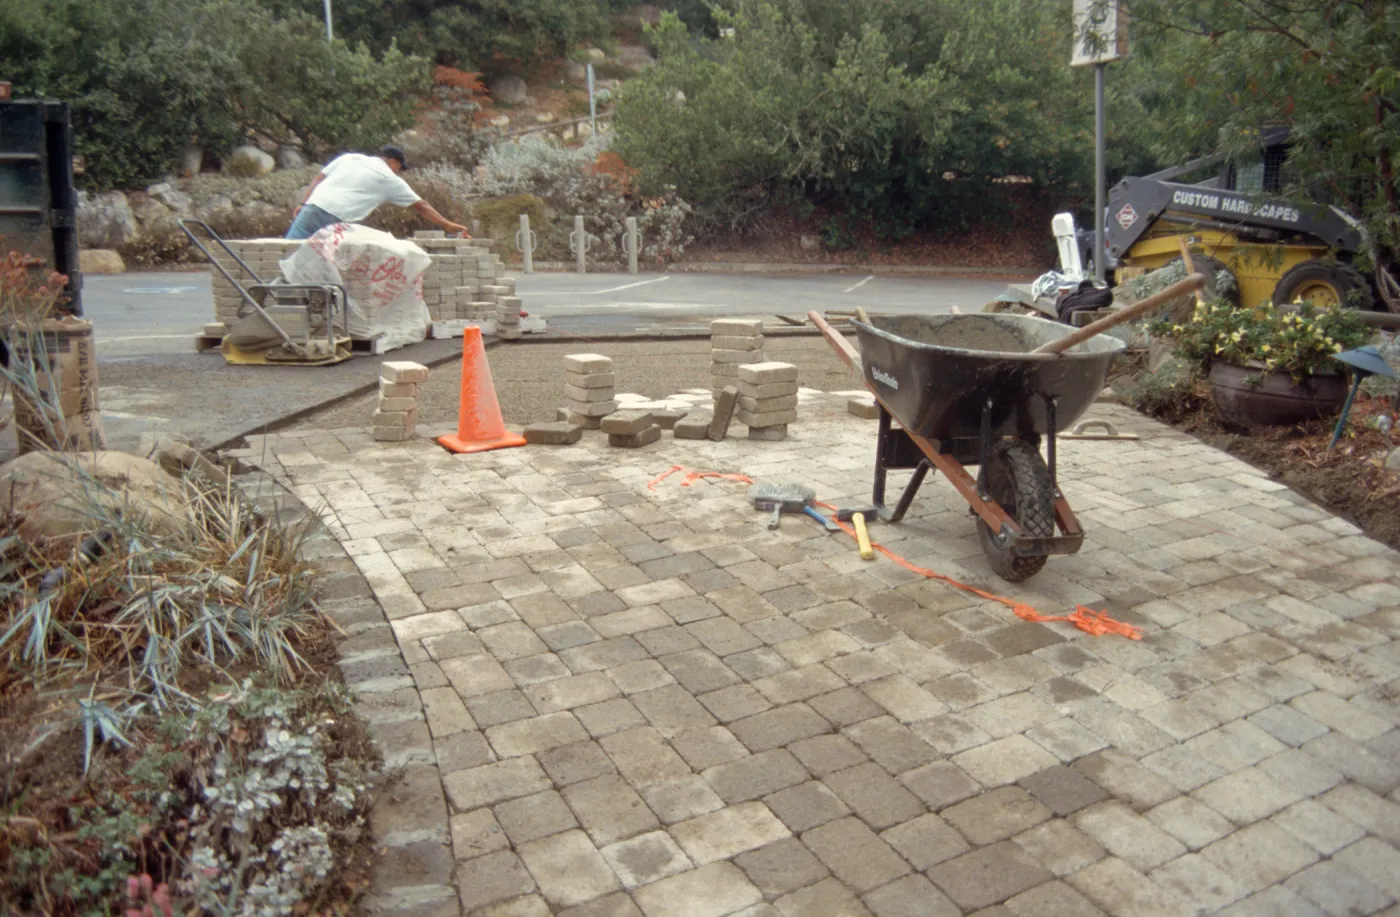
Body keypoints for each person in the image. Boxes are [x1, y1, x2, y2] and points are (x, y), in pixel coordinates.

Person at [285, 145, 468, 240]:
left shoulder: (350, 158)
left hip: (313, 207)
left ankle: (276, 293)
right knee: (322, 262)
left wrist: (302, 203)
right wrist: (447, 225)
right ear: (394, 162)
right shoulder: (389, 179)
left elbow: (319, 178)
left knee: (290, 251)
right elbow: (422, 206)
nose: (398, 171)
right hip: (337, 219)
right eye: (399, 168)